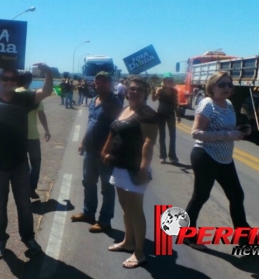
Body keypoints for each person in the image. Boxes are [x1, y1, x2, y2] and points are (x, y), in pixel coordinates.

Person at [0, 63, 53, 260]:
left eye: (12, 79)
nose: (8, 82)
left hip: (20, 163)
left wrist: (48, 72)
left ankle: (28, 239)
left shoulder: (24, 98)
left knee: (24, 204)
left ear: (17, 82)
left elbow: (46, 92)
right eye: (4, 79)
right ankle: (0, 241)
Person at [184, 71, 252, 250]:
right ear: (212, 86)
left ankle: (244, 238)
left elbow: (225, 128)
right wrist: (227, 135)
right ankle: (188, 235)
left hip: (224, 158)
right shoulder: (207, 105)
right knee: (201, 196)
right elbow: (196, 133)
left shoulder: (228, 104)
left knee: (237, 195)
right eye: (222, 85)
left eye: (229, 85)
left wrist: (240, 129)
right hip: (205, 156)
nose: (227, 88)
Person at [102, 75, 157, 269]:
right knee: (126, 208)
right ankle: (128, 242)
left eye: (139, 89)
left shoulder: (147, 113)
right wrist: (106, 151)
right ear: (126, 90)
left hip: (134, 169)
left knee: (135, 210)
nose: (134, 91)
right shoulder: (126, 109)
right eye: (132, 88)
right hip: (119, 166)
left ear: (145, 93)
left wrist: (143, 168)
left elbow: (149, 142)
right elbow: (114, 131)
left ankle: (139, 252)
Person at [72, 71, 123, 233]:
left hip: (105, 153)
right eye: (97, 81)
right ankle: (88, 213)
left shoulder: (114, 103)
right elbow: (90, 123)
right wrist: (82, 141)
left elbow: (115, 129)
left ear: (110, 84)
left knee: (106, 187)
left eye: (104, 82)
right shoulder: (94, 100)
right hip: (90, 150)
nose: (100, 84)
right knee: (88, 182)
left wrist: (106, 149)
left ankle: (105, 220)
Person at [15, 72, 51, 200]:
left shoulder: (12, 95)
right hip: (32, 136)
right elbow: (41, 114)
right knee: (36, 163)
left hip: (17, 137)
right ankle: (30, 189)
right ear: (29, 81)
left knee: (21, 163)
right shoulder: (33, 95)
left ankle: (21, 188)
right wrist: (47, 130)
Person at [151, 75, 181, 163]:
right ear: (164, 81)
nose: (170, 82)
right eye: (168, 80)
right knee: (162, 135)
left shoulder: (174, 90)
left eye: (171, 80)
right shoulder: (160, 90)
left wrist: (178, 115)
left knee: (173, 135)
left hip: (171, 114)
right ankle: (162, 156)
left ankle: (172, 156)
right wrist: (153, 90)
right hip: (161, 114)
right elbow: (153, 99)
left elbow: (175, 104)